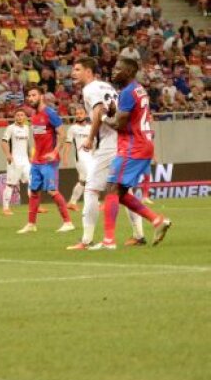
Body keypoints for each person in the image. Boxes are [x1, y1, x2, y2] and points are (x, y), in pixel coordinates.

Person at [69, 56, 144, 251]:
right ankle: (139, 234)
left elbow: (98, 112)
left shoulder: (90, 89)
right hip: (121, 141)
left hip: (108, 144)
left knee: (91, 189)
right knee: (122, 191)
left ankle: (86, 240)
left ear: (88, 72)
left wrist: (89, 138)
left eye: (77, 69)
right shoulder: (107, 87)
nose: (73, 73)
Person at [98, 58, 173, 247]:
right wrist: (115, 113)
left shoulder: (127, 92)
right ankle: (157, 220)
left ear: (130, 71)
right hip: (142, 144)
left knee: (112, 190)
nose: (114, 71)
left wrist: (104, 117)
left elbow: (119, 125)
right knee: (120, 193)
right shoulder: (138, 89)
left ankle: (108, 241)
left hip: (133, 146)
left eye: (118, 68)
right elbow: (129, 118)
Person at [15, 86, 76, 235]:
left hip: (49, 161)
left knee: (52, 191)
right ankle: (31, 224)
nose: (31, 98)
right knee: (34, 191)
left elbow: (63, 133)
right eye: (29, 96)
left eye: (34, 95)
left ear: (41, 96)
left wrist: (55, 152)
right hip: (36, 161)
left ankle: (68, 222)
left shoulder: (50, 113)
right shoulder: (33, 115)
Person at [0, 109, 31, 216]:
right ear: (15, 117)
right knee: (11, 184)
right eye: (17, 115)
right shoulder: (10, 128)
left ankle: (34, 206)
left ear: (25, 117)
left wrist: (30, 157)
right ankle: (5, 208)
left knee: (32, 181)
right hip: (14, 160)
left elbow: (27, 144)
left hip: (25, 160)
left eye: (22, 115)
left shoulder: (27, 128)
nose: (19, 117)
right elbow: (4, 142)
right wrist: (8, 154)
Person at [61, 104, 91, 210]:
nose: (78, 115)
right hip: (80, 158)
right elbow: (68, 144)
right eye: (77, 114)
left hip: (91, 157)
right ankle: (94, 203)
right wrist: (65, 157)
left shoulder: (90, 128)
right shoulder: (72, 128)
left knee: (83, 181)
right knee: (89, 178)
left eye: (81, 113)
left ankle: (72, 202)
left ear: (85, 114)